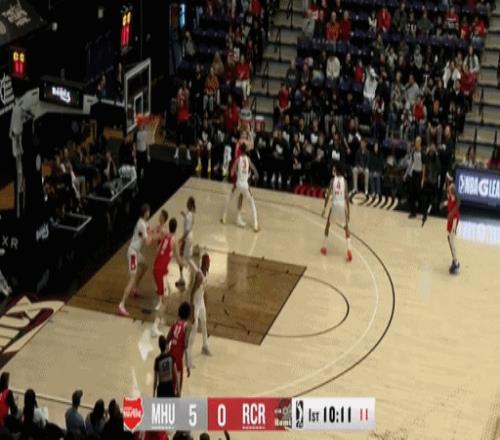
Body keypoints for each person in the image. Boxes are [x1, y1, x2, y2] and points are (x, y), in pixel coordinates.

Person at [118, 204, 152, 317]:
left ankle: (135, 288)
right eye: (148, 211)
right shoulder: (141, 224)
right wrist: (153, 235)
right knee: (132, 278)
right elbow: (147, 242)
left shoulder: (145, 223)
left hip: (136, 253)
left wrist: (152, 232)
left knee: (145, 265)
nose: (149, 212)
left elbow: (149, 231)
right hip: (133, 253)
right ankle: (122, 304)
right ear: (145, 212)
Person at [152, 218, 182, 337]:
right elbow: (178, 259)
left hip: (156, 269)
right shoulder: (174, 240)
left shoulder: (165, 237)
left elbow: (157, 251)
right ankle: (154, 327)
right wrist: (185, 263)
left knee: (167, 292)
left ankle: (160, 313)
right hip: (161, 271)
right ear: (176, 227)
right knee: (165, 300)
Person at [221, 143, 260, 232]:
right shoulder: (248, 159)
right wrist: (255, 174)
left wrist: (236, 172)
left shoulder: (238, 159)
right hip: (245, 185)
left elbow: (231, 173)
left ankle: (224, 218)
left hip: (238, 184)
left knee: (230, 198)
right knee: (252, 204)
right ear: (246, 151)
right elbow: (254, 169)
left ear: (240, 150)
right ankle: (255, 225)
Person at [321, 164, 352, 262]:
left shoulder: (332, 180)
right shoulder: (345, 182)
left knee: (328, 226)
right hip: (342, 206)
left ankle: (324, 248)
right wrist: (348, 211)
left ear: (337, 171)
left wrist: (324, 208)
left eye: (334, 169)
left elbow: (327, 195)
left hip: (334, 206)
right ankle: (349, 250)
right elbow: (347, 197)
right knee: (346, 228)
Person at [187, 254, 212, 369]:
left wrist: (206, 304)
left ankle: (205, 346)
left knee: (204, 323)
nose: (209, 264)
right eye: (207, 263)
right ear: (204, 263)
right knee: (194, 328)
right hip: (195, 303)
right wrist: (192, 310)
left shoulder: (207, 274)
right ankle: (188, 356)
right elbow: (192, 293)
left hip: (201, 302)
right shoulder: (199, 276)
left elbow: (204, 291)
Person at [166, 302, 192, 395]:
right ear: (189, 315)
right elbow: (186, 345)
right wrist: (188, 365)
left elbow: (167, 341)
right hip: (177, 361)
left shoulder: (175, 323)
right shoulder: (187, 326)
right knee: (177, 391)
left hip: (169, 358)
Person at [176, 197, 196, 290]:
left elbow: (187, 230)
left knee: (181, 257)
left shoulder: (189, 216)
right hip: (190, 237)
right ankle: (195, 272)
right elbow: (190, 223)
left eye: (188, 202)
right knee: (187, 258)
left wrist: (181, 239)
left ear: (190, 204)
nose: (186, 203)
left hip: (187, 238)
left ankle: (185, 276)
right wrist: (184, 215)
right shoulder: (190, 214)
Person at [444, 173, 460, 274]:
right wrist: (444, 204)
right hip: (451, 218)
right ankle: (454, 260)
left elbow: (457, 202)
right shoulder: (449, 191)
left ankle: (456, 262)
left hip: (454, 219)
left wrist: (454, 227)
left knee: (451, 240)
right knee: (449, 239)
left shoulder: (452, 190)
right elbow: (450, 201)